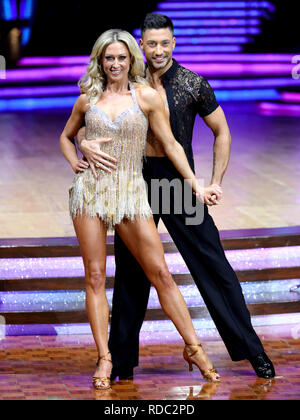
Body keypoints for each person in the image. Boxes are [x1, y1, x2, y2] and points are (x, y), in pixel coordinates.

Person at [77, 14, 275, 381]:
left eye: (164, 43)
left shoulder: (192, 84)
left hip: (176, 183)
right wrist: (84, 144)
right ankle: (120, 360)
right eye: (151, 43)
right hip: (134, 181)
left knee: (213, 265)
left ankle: (253, 351)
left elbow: (222, 131)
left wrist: (214, 180)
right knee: (132, 272)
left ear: (173, 42)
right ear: (141, 44)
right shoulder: (128, 81)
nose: (158, 50)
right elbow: (88, 118)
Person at [60, 28, 222, 390]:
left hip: (132, 192)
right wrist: (76, 157)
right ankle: (105, 357)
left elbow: (171, 144)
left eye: (121, 57)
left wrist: (196, 185)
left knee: (161, 273)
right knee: (96, 277)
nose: (115, 63)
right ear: (100, 61)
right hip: (90, 193)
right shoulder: (88, 98)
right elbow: (66, 135)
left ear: (132, 58)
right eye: (109, 58)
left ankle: (194, 348)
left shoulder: (146, 97)